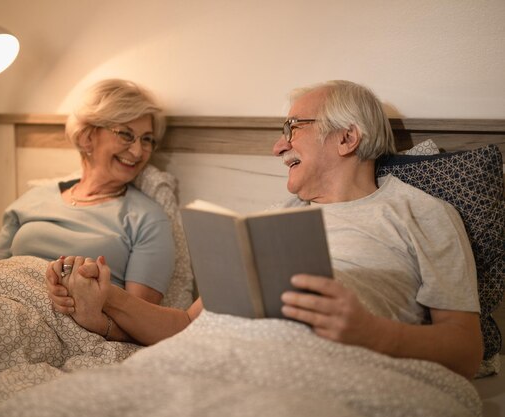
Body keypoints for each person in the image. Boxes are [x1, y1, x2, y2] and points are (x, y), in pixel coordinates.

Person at [47, 80, 483, 379]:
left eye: (293, 128)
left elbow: (466, 352)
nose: (278, 146)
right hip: (220, 360)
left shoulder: (422, 213)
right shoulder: (270, 221)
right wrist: (108, 300)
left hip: (328, 368)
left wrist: (371, 333)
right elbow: (184, 326)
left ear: (347, 139)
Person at [0, 79, 176, 323]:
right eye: (126, 134)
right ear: (87, 136)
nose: (138, 152)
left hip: (53, 326)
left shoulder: (147, 218)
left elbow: (143, 321)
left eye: (146, 139)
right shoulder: (34, 198)